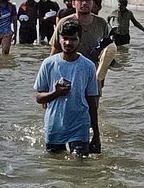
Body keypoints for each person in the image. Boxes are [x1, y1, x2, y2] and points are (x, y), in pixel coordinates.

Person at [34, 19, 101, 157]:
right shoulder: (48, 64)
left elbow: (92, 102)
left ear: (80, 40)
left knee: (79, 165)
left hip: (79, 125)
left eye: (73, 39)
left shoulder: (88, 66)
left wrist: (96, 134)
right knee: (55, 168)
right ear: (59, 39)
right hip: (54, 125)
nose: (68, 43)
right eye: (65, 38)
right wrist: (55, 93)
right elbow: (39, 98)